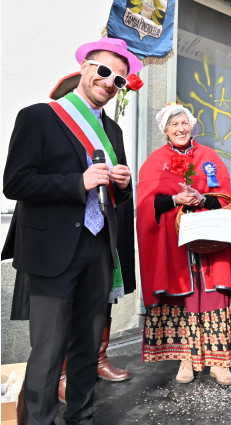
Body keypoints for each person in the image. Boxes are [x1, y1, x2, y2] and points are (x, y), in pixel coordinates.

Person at [2, 37, 141, 425]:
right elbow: (16, 183)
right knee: (48, 352)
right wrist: (76, 182)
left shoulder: (113, 131)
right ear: (84, 67)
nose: (110, 82)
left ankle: (81, 418)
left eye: (119, 79)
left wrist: (124, 184)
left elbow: (118, 198)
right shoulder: (39, 116)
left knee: (86, 348)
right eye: (104, 71)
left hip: (98, 250)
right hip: (53, 251)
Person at [41, 70, 136, 403]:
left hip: (105, 224)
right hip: (64, 230)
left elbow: (121, 182)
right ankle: (63, 372)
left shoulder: (112, 129)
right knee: (64, 308)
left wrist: (123, 181)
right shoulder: (51, 123)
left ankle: (97, 358)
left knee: (102, 299)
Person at [136, 103, 231, 386]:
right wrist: (174, 200)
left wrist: (202, 199)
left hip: (210, 243)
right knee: (183, 299)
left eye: (184, 123)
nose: (181, 129)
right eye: (174, 125)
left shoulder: (209, 156)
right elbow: (148, 204)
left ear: (192, 126)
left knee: (214, 296)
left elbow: (225, 198)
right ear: (165, 130)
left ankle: (220, 362)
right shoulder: (155, 161)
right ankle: (187, 358)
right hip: (175, 247)